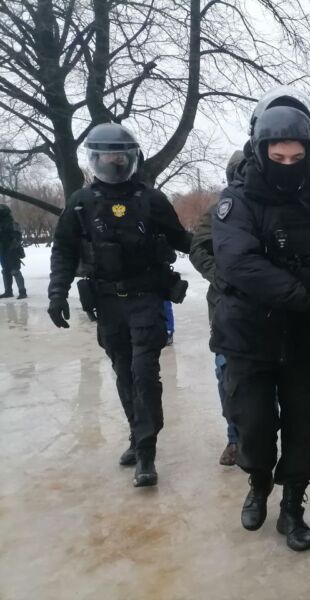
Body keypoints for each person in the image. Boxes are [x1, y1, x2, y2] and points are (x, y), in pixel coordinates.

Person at [211, 87, 310, 552]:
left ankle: (293, 503)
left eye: (297, 156)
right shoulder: (236, 200)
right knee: (253, 423)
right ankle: (258, 482)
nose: (288, 164)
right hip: (248, 335)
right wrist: (309, 301)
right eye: (278, 156)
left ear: (309, 152)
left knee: (306, 423)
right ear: (259, 150)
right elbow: (240, 263)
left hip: (305, 341)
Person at [47, 123, 192, 487]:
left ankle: (146, 451)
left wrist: (225, 250)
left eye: (120, 156)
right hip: (108, 302)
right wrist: (56, 292)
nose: (114, 162)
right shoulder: (81, 202)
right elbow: (64, 250)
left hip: (146, 299)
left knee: (145, 375)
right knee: (124, 373)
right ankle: (137, 433)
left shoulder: (151, 200)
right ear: (94, 159)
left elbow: (182, 239)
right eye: (107, 156)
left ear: (131, 159)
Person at [189, 149, 245, 466]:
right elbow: (198, 248)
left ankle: (267, 433)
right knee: (228, 375)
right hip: (226, 309)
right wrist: (221, 277)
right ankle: (235, 438)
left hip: (270, 310)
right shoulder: (218, 211)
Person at [0, 204, 27, 299]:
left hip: (12, 251)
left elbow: (17, 237)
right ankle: (8, 291)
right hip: (2, 251)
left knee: (15, 270)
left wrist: (12, 248)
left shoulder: (12, 223)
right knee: (5, 271)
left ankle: (22, 292)